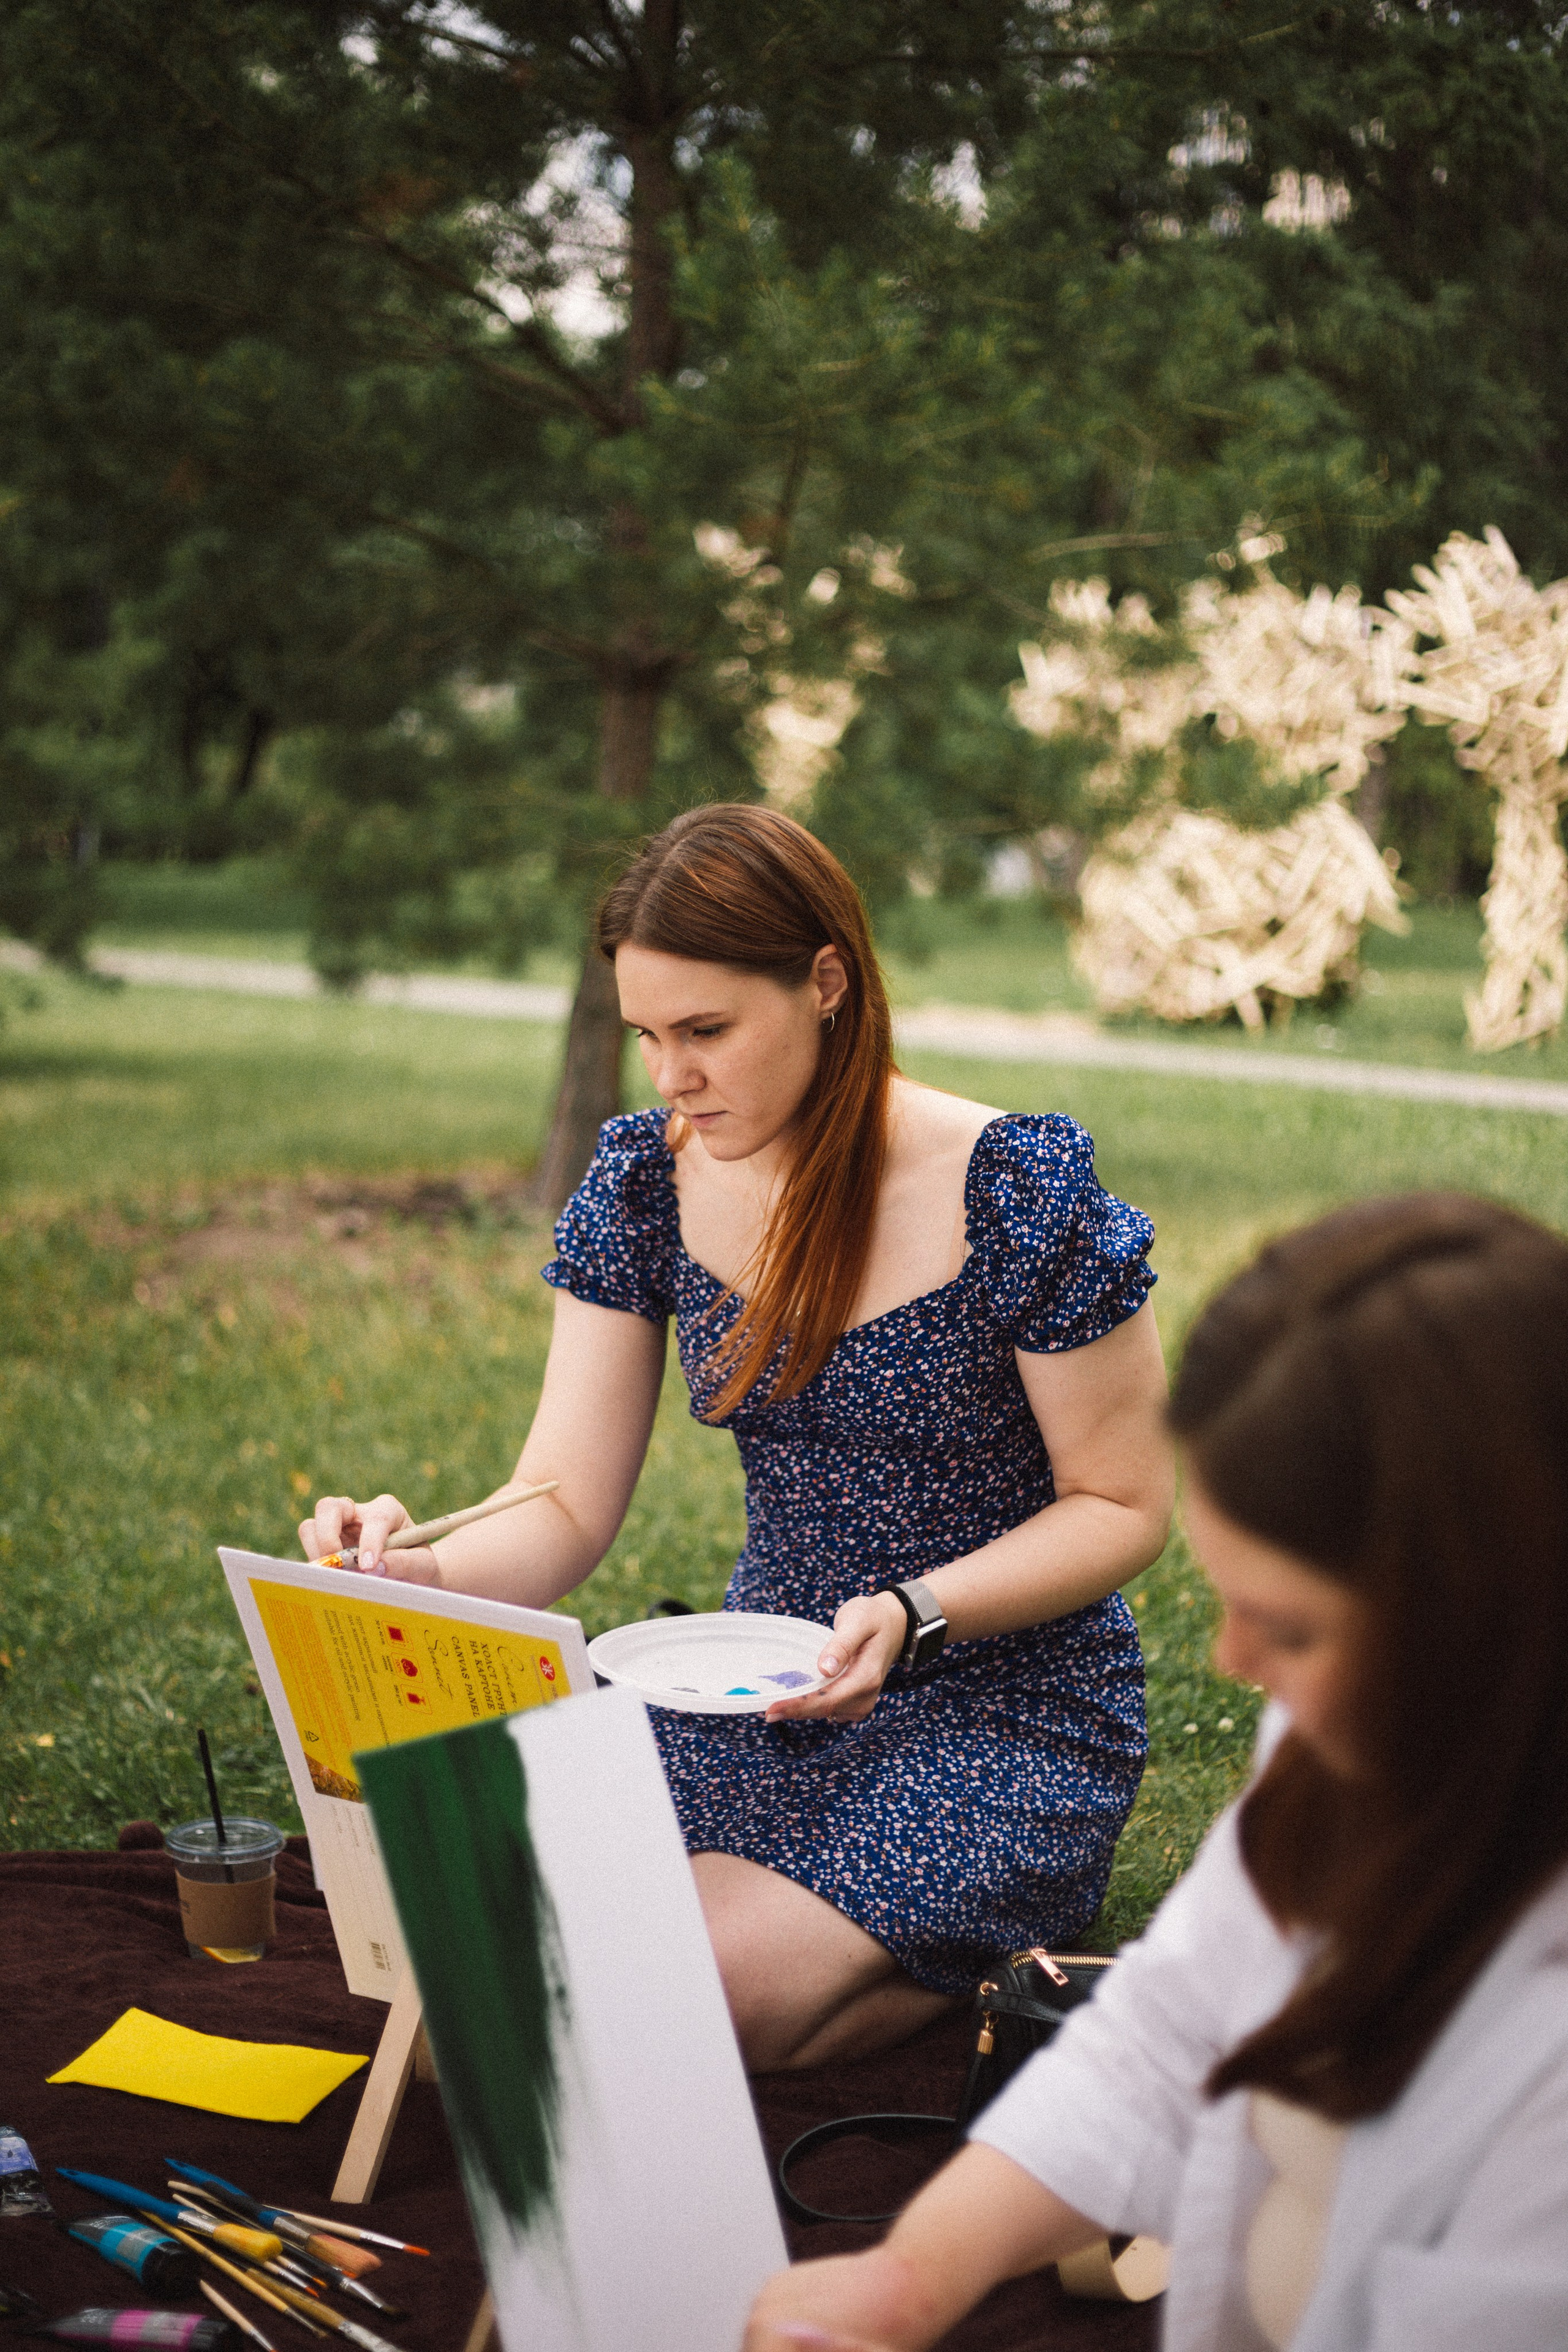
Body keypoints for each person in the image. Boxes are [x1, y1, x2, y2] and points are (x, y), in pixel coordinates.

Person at [300, 804, 1174, 2070]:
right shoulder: (645, 1180)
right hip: (744, 1684)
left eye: (705, 1031)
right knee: (461, 1978)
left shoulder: (1015, 1191)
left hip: (998, 1698)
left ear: (825, 982)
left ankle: (938, 1952)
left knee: (662, 2002)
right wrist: (410, 1572)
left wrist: (916, 1609)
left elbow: (1122, 1505)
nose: (670, 1076)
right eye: (646, 1035)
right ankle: (881, 1970)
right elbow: (558, 1501)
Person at [745, 1191, 1568, 2351]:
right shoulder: (1377, 1734)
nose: (1235, 1664)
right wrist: (910, 2282)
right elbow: (1168, 2033)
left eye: (1290, 1631)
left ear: (1498, 1610)